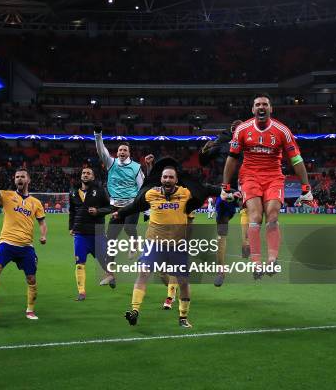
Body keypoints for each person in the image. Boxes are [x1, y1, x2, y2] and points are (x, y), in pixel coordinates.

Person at [114, 161, 226, 328]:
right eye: (165, 177)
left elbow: (206, 189)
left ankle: (183, 317)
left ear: (176, 179)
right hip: (154, 244)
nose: (167, 180)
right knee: (143, 274)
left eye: (171, 177)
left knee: (183, 282)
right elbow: (135, 206)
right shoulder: (151, 194)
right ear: (161, 179)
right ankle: (134, 310)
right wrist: (121, 213)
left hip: (177, 246)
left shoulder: (185, 193)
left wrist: (227, 191)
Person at [223, 94, 313, 279]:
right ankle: (256, 263)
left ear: (271, 109)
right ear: (253, 109)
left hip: (273, 177)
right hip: (249, 176)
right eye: (257, 105)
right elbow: (232, 158)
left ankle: (272, 260)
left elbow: (296, 159)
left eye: (265, 104)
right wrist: (225, 185)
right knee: (255, 215)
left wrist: (306, 186)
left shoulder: (282, 131)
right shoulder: (242, 129)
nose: (261, 107)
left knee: (272, 215)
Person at [0, 165, 47, 320]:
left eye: (23, 176)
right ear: (14, 180)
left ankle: (30, 310)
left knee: (31, 278)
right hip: (7, 243)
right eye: (17, 177)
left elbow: (42, 223)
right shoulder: (7, 195)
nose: (20, 179)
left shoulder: (36, 202)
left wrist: (43, 236)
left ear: (28, 180)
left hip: (26, 246)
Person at [94, 125, 153, 280]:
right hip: (116, 206)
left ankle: (134, 243)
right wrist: (98, 135)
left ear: (129, 153)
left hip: (132, 204)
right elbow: (101, 151)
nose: (121, 152)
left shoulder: (136, 167)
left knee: (129, 226)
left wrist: (146, 211)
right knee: (111, 242)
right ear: (117, 152)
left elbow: (143, 188)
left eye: (124, 150)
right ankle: (110, 274)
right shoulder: (111, 163)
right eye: (120, 150)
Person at [199, 119, 250, 286]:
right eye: (234, 128)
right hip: (225, 188)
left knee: (250, 209)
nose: (237, 131)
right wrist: (204, 150)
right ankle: (221, 270)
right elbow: (203, 161)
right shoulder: (222, 144)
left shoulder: (252, 142)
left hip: (248, 184)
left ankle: (246, 242)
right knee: (221, 226)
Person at [68, 167, 113, 300]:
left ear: (93, 177)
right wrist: (71, 227)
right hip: (80, 234)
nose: (85, 175)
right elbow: (72, 211)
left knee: (103, 260)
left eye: (88, 173)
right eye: (83, 173)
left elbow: (110, 208)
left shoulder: (100, 191)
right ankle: (81, 292)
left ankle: (111, 275)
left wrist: (98, 211)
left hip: (96, 233)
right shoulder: (73, 192)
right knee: (79, 263)